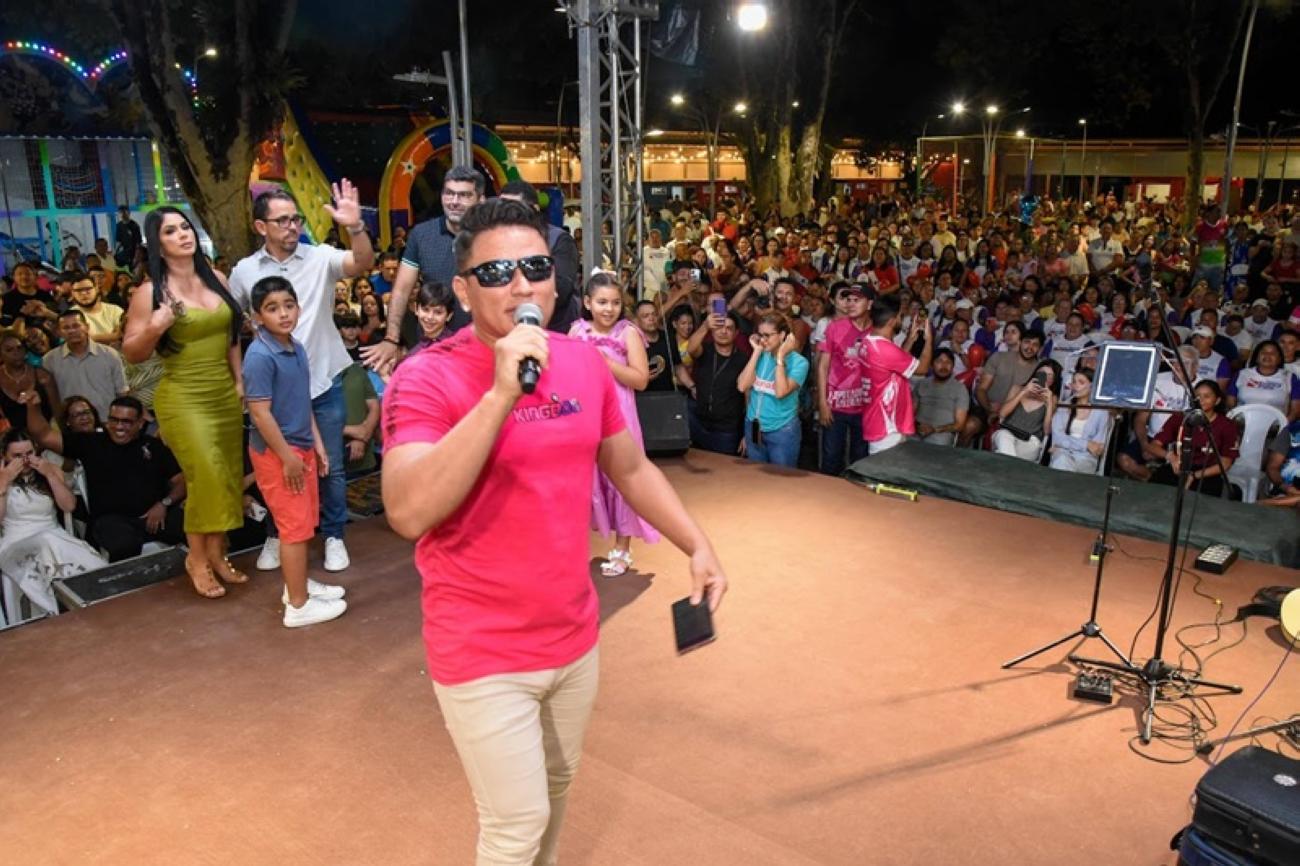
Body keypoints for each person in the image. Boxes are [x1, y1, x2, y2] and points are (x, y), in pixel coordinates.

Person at [380, 199, 727, 865]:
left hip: (573, 637)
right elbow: (407, 510)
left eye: (536, 268)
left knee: (558, 785)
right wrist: (500, 395)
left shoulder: (582, 362)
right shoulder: (426, 377)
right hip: (481, 647)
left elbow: (630, 467)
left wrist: (697, 543)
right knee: (516, 825)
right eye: (496, 272)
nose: (521, 285)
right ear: (462, 291)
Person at [229, 182, 374, 574]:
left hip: (322, 380)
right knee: (278, 466)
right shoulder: (244, 271)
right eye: (282, 220)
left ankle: (334, 535)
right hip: (276, 391)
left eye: (296, 219)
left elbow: (362, 262)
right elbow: (233, 323)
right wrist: (240, 375)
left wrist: (355, 226)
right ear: (261, 227)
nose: (292, 226)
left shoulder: (320, 256)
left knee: (332, 467)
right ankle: (277, 534)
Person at [121, 207, 248, 598]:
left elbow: (231, 336)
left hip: (223, 394)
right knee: (205, 475)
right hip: (183, 397)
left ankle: (217, 551)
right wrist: (155, 326)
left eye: (185, 227)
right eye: (170, 231)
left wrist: (239, 380)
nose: (182, 234)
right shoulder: (149, 293)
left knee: (226, 476)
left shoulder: (217, 279)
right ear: (157, 244)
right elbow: (132, 353)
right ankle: (197, 557)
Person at [242, 277, 347, 627]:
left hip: (300, 449)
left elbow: (302, 402)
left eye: (289, 305)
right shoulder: (260, 356)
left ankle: (296, 586)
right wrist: (287, 457)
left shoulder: (296, 347)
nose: (284, 314)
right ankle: (298, 607)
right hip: (279, 455)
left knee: (303, 523)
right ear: (258, 317)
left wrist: (317, 444)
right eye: (272, 309)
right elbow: (260, 414)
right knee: (293, 528)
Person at [568, 272, 657, 576]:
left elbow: (640, 379)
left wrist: (605, 363)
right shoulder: (576, 331)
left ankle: (623, 549)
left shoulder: (628, 333)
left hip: (619, 415)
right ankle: (574, 548)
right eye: (602, 302)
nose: (609, 309)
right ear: (588, 302)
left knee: (623, 479)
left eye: (615, 303)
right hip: (585, 414)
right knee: (583, 478)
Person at [24, 395, 186, 561]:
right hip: (112, 521)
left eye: (126, 421)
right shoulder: (91, 442)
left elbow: (181, 482)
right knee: (124, 545)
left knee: (192, 531)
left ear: (140, 423)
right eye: (114, 420)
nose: (118, 426)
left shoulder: (153, 446)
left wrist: (164, 503)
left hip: (155, 516)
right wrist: (32, 406)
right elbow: (43, 435)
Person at [362, 166, 484, 373]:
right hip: (433, 346)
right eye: (449, 193)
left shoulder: (493, 235)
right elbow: (401, 290)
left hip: (481, 346)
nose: (454, 201)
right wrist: (391, 339)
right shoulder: (422, 235)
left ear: (480, 200)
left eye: (464, 195)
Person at [0, 430, 107, 616]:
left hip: (54, 535)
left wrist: (50, 475)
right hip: (15, 542)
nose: (25, 460)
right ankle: (56, 610)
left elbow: (69, 506)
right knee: (45, 542)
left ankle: (90, 602)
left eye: (29, 453)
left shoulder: (49, 469)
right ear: (4, 456)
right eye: (17, 456)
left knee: (59, 546)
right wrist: (4, 482)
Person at [500, 179, 581, 334]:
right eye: (501, 208)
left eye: (513, 208)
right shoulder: (496, 240)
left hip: (554, 330)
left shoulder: (558, 239)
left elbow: (561, 289)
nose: (506, 214)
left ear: (534, 209)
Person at [859, 292, 933, 454]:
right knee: (885, 469)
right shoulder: (885, 349)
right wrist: (928, 339)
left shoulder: (868, 340)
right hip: (887, 425)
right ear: (892, 321)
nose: (901, 319)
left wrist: (911, 338)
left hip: (877, 419)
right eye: (900, 316)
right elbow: (922, 368)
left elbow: (895, 363)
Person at [739, 312, 809, 467]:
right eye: (760, 335)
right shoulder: (760, 355)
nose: (763, 340)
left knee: (781, 478)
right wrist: (756, 352)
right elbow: (742, 386)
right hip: (753, 426)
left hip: (782, 430)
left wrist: (780, 357)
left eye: (767, 335)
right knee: (755, 476)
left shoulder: (799, 363)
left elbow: (781, 392)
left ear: (782, 335)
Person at [1147, 380, 1239, 498]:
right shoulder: (1180, 418)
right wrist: (1171, 457)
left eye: (1207, 396)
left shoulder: (1227, 425)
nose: (1201, 400)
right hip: (1179, 467)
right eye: (1197, 396)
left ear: (1217, 401)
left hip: (1206, 474)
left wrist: (1194, 475)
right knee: (1155, 491)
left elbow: (1226, 463)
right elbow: (1153, 446)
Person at [817, 283, 872, 474]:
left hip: (865, 406)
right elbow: (822, 366)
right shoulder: (834, 327)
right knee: (831, 458)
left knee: (861, 459)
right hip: (835, 405)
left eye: (857, 300)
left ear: (870, 304)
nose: (851, 304)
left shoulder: (876, 330)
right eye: (848, 299)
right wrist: (822, 403)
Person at [680, 310, 748, 455]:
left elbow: (749, 398)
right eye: (719, 327)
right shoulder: (705, 349)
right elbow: (690, 349)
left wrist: (747, 433)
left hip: (726, 431)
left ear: (736, 333)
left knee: (724, 468)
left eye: (729, 328)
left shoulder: (743, 359)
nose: (723, 331)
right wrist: (705, 326)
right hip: (699, 424)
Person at [41, 309, 129, 421]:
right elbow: (51, 397)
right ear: (59, 332)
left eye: (76, 326)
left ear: (87, 327)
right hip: (72, 424)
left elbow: (122, 392)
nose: (72, 331)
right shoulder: (49, 360)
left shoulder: (109, 354)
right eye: (66, 328)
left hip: (107, 421)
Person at [992, 360, 1059, 461]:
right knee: (1003, 435)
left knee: (1002, 453)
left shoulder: (1052, 398)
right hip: (1008, 434)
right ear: (1036, 373)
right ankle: (1010, 465)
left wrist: (1049, 403)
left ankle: (1006, 463)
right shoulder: (1017, 388)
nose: (1045, 378)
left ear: (1053, 380)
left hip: (1030, 441)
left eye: (1050, 375)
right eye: (1042, 373)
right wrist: (1023, 392)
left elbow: (1047, 431)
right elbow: (1002, 414)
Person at [1049, 368, 1110, 473]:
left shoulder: (1101, 412)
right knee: (1062, 461)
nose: (1075, 386)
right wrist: (1086, 444)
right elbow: (1057, 437)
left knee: (1062, 464)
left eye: (1081, 382)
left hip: (1086, 459)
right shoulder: (1065, 406)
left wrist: (1066, 443)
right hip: (1063, 454)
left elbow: (1097, 448)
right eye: (1074, 382)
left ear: (1092, 386)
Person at [0, 331, 59, 432]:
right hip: (11, 437)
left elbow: (57, 412)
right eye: (9, 350)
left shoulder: (43, 376)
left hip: (45, 434)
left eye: (19, 348)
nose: (16, 353)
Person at [911, 347, 969, 446]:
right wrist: (917, 426)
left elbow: (959, 425)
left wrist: (934, 429)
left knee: (936, 446)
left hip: (942, 433)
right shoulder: (921, 384)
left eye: (948, 362)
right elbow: (910, 412)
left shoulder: (960, 389)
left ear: (953, 366)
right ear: (931, 365)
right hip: (917, 430)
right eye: (939, 361)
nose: (944, 366)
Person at [1228, 340, 1298, 419]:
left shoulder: (1290, 377)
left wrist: (1284, 424)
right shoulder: (1241, 374)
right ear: (1256, 357)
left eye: (1273, 353)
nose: (1267, 355)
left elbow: (1295, 411)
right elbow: (1230, 405)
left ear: (1279, 359)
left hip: (1276, 425)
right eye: (1263, 352)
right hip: (1242, 422)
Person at [632, 299, 681, 391]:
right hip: (641, 396)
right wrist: (642, 379)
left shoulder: (668, 337)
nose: (651, 318)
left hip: (667, 394)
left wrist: (692, 386)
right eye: (645, 316)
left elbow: (678, 366)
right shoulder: (632, 341)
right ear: (636, 321)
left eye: (654, 314)